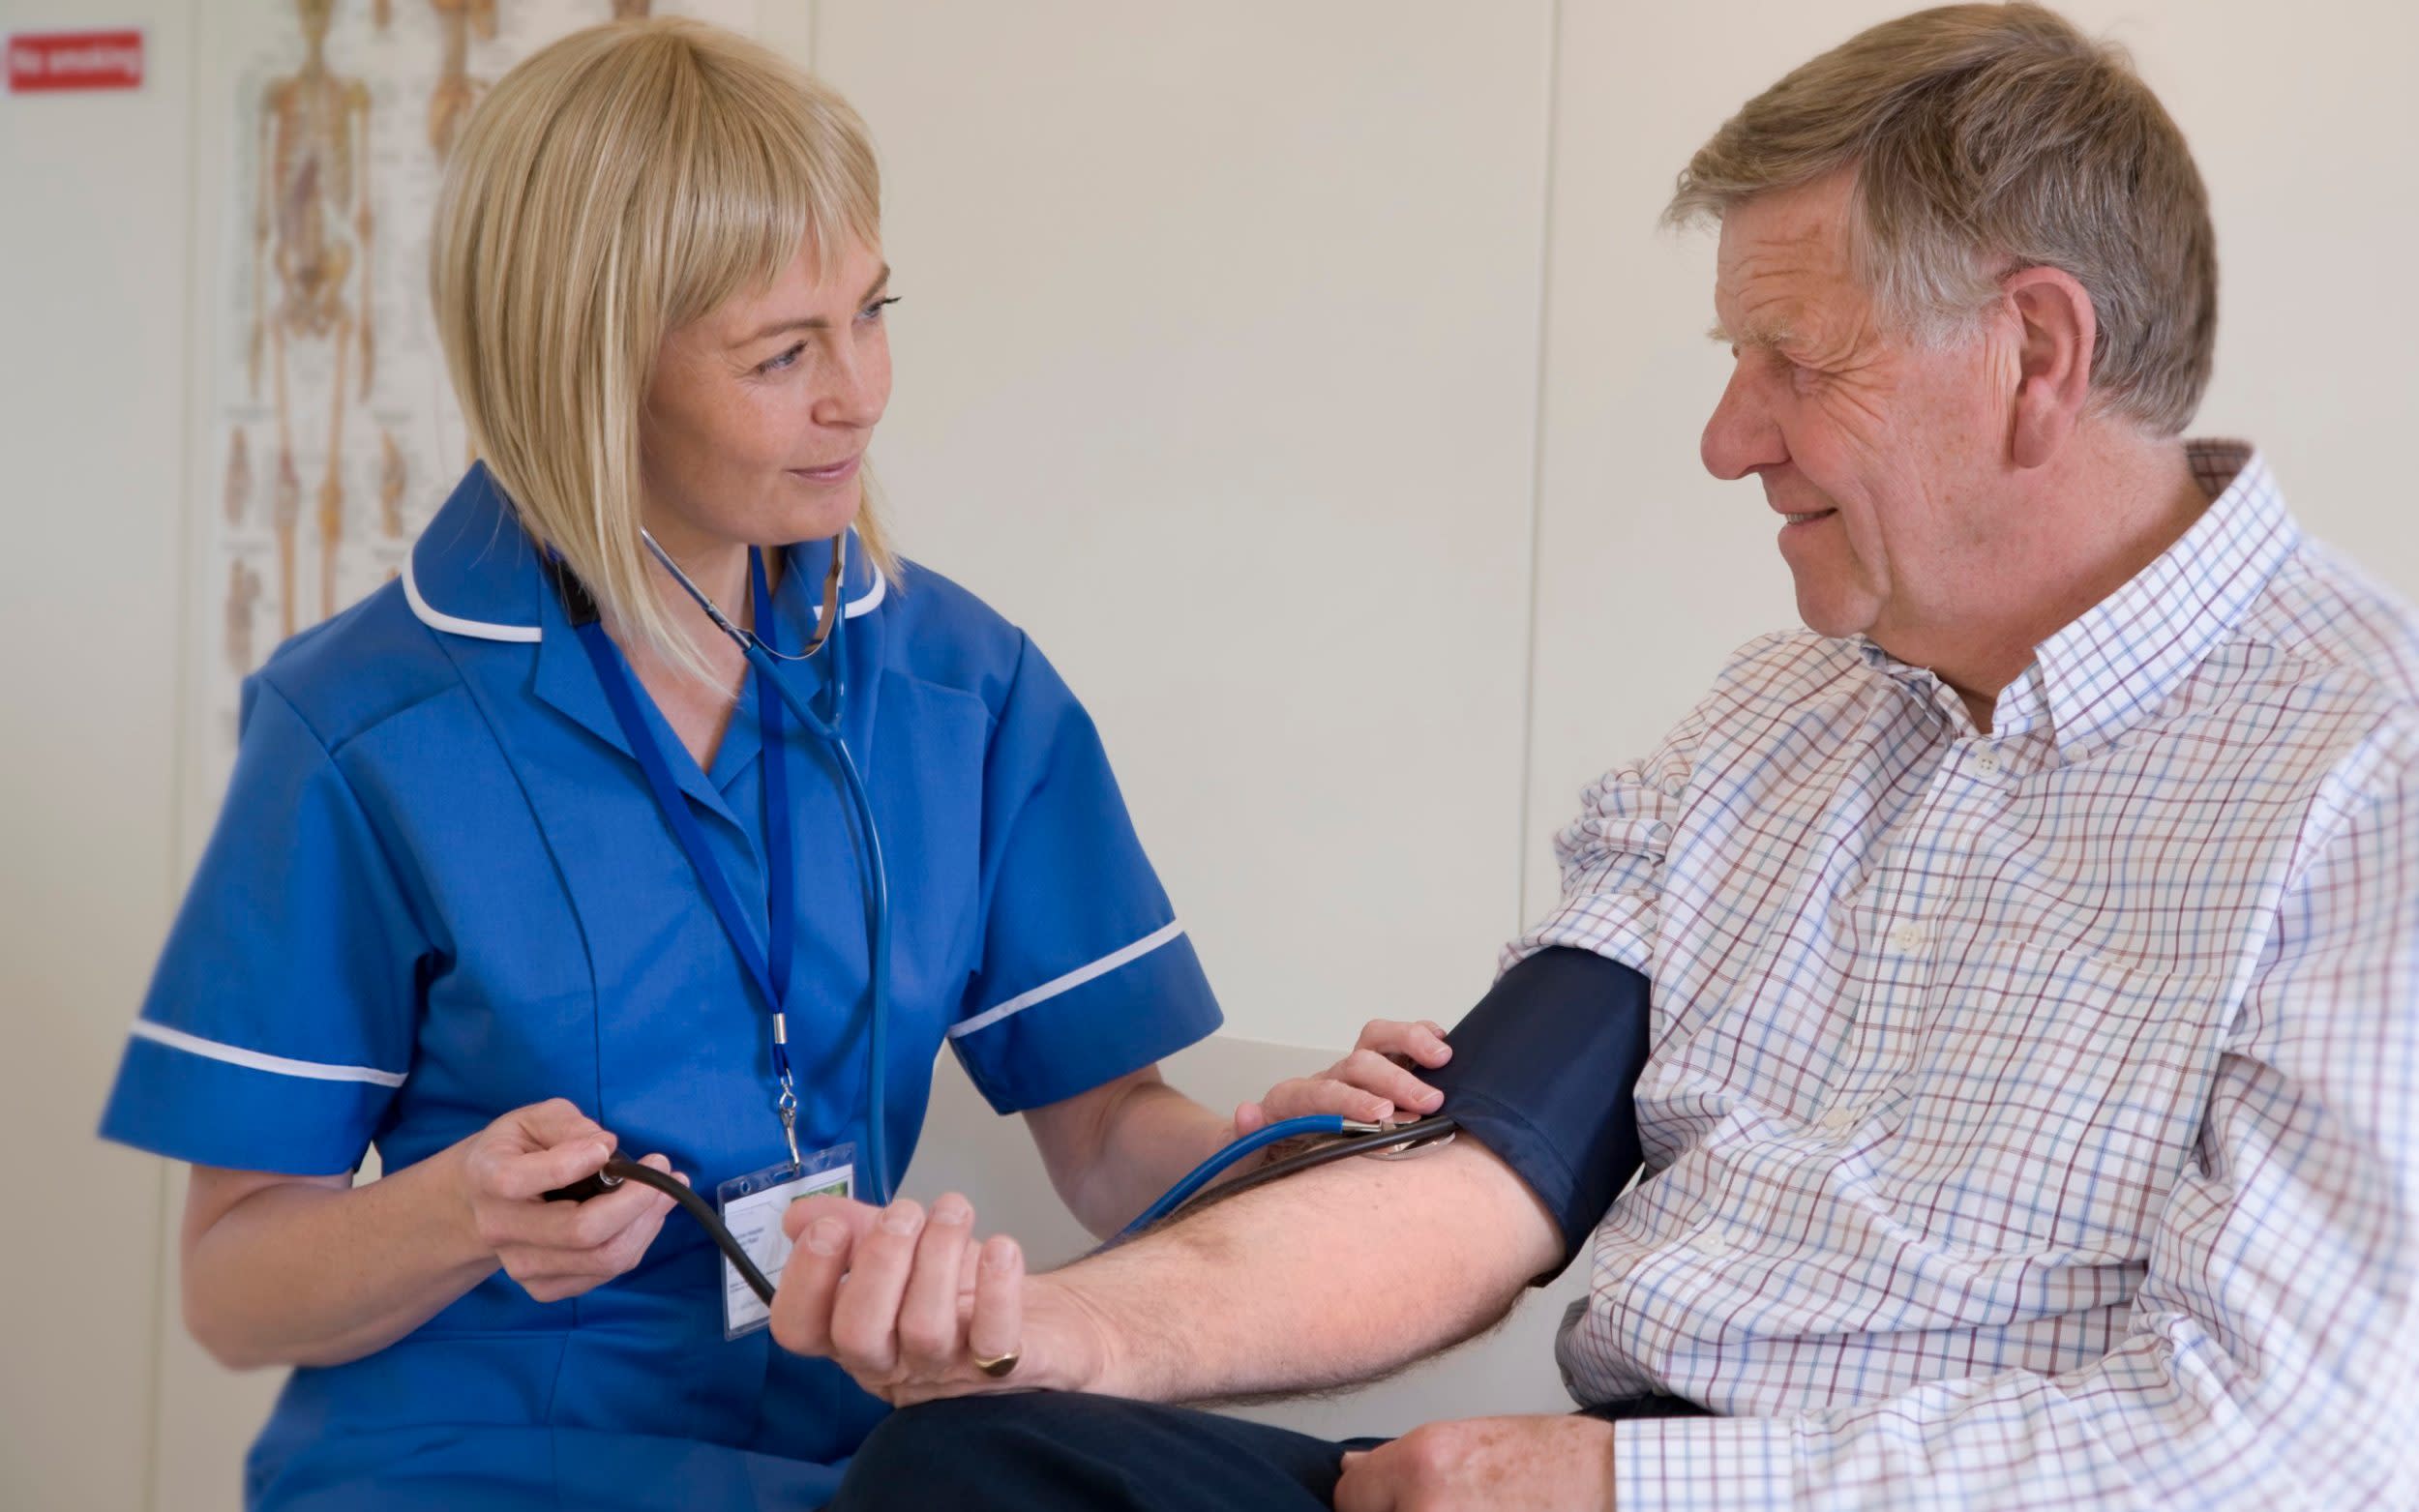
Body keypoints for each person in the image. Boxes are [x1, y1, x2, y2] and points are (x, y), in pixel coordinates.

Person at [771, 6, 2419, 1509]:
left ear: (2037, 356)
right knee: (971, 1471)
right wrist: (1052, 1332)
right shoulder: (1776, 723)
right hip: (1576, 1476)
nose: (1728, 440)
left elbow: (2291, 1441)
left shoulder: (2369, 778)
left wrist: (1630, 1497)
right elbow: (1471, 1181)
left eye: (1795, 359)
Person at [94, 18, 1444, 1511]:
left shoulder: (960, 684)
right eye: (781, 352)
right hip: (481, 1465)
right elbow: (234, 1283)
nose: (857, 392)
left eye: (872, 314)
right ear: (590, 370)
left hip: (855, 1457)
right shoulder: (366, 724)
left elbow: (1110, 1130)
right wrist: (458, 1216)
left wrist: (1248, 1154)